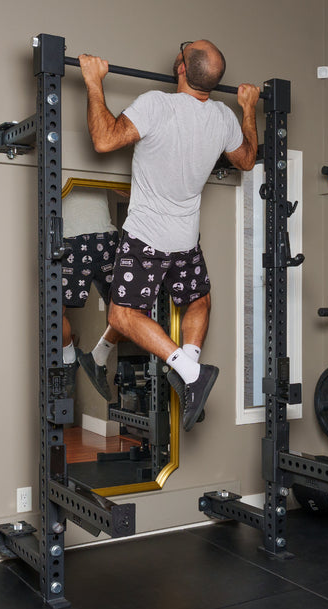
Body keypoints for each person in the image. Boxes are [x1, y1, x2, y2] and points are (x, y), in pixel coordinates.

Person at [78, 40, 260, 431]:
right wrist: (248, 109)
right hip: (185, 238)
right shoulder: (224, 118)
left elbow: (104, 140)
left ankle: (192, 376)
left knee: (123, 315)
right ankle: (185, 373)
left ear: (181, 67)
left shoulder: (156, 105)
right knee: (198, 301)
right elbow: (246, 159)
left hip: (147, 237)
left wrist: (93, 81)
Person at [61, 186, 123, 400]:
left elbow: (124, 188)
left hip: (106, 237)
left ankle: (98, 356)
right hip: (70, 240)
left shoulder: (101, 154)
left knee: (129, 311)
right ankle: (69, 358)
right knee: (55, 309)